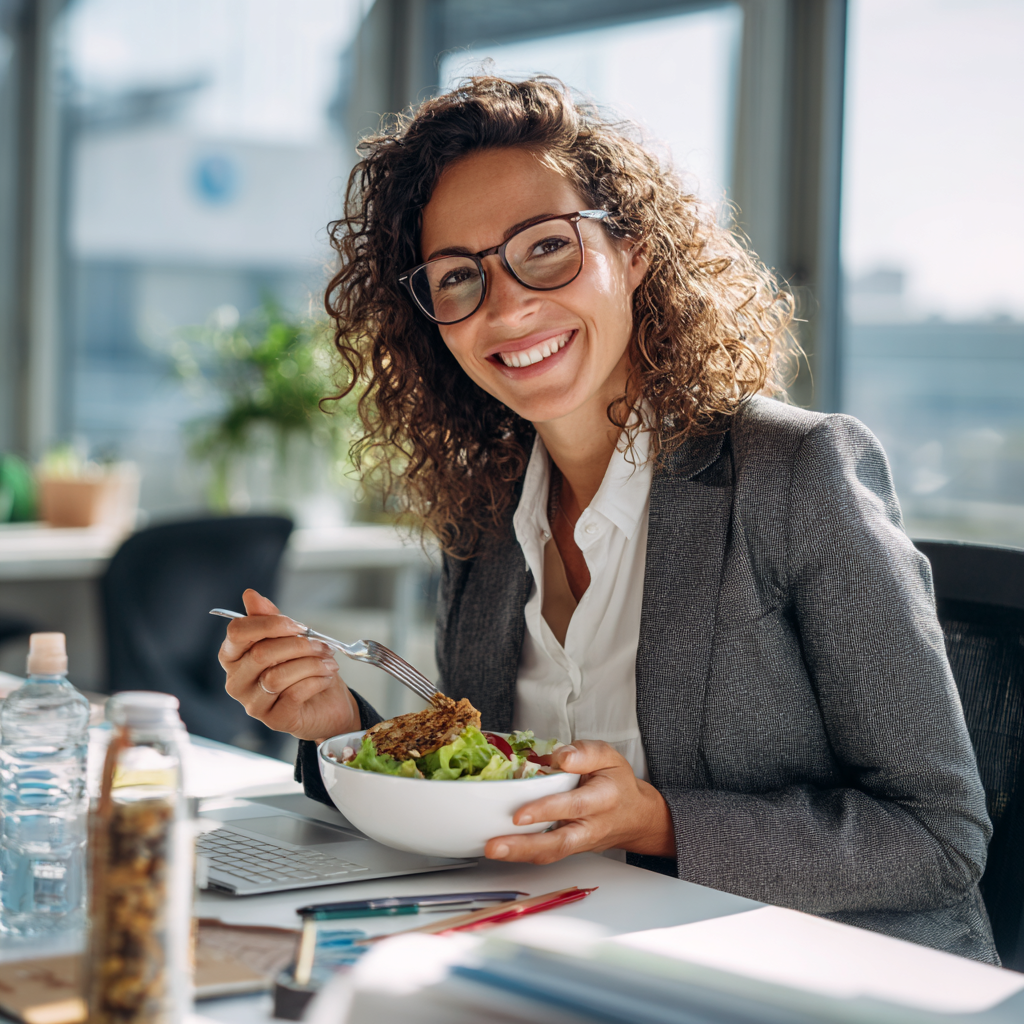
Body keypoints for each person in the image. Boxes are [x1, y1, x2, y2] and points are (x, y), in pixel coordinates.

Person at [218, 77, 997, 963]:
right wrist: (336, 728)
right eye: (458, 278)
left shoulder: (792, 475)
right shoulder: (483, 516)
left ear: (631, 251)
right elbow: (486, 795)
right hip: (574, 958)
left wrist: (655, 821)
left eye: (546, 247)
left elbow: (939, 839)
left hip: (819, 975)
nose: (507, 307)